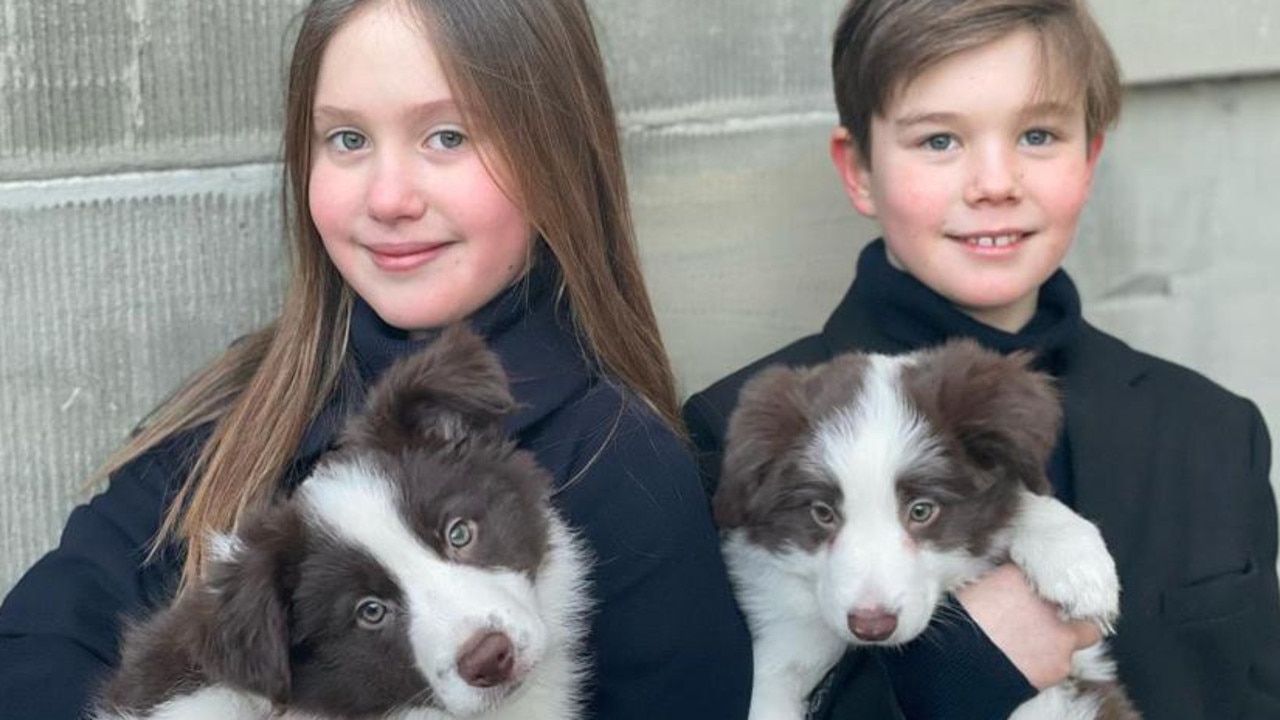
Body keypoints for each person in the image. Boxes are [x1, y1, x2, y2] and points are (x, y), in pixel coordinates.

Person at [0, 0, 752, 717]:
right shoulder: (246, 399)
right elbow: (43, 638)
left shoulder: (617, 460)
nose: (389, 197)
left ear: (557, 153)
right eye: (348, 140)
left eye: (449, 136)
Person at [683, 0, 1280, 717]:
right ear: (860, 169)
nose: (994, 182)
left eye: (1037, 134)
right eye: (939, 141)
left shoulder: (1211, 430)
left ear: (1089, 157)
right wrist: (962, 669)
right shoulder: (735, 433)